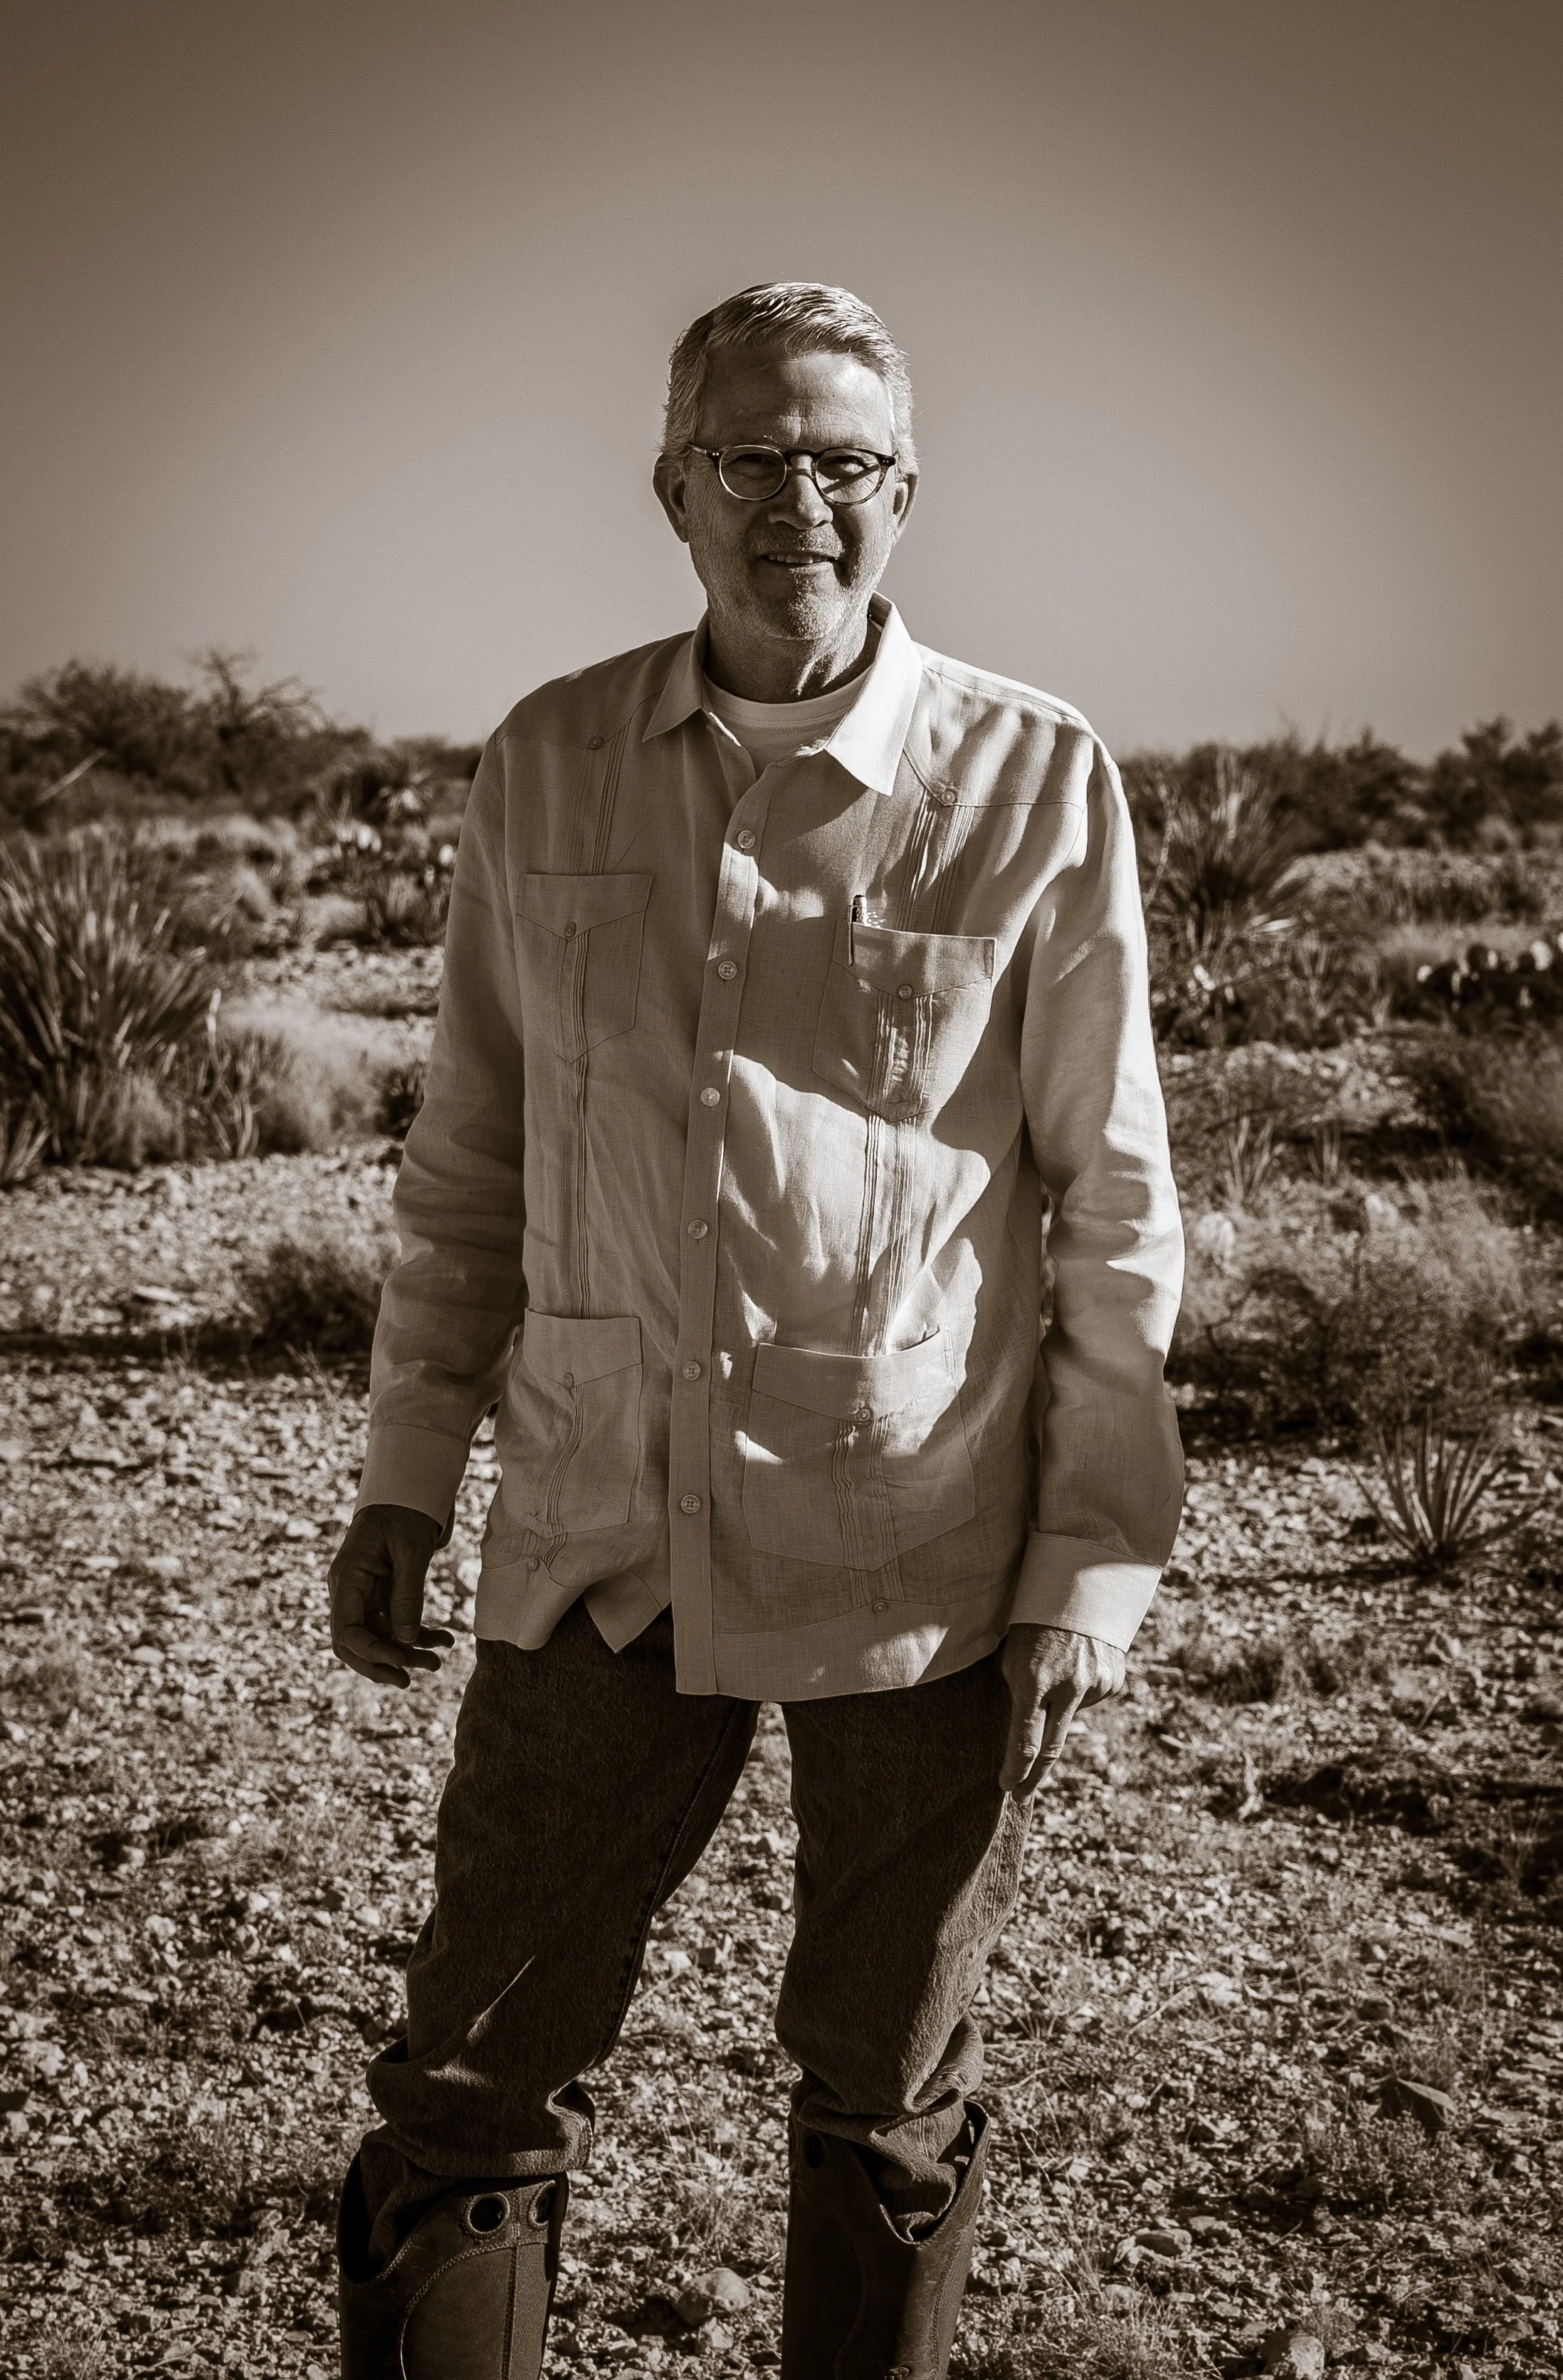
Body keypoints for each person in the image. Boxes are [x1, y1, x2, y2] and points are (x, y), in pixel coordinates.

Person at [327, 281, 1184, 2379]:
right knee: (471, 2085)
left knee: (881, 2103)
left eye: (842, 461)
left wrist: (1090, 1561)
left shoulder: (1030, 774)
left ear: (904, 493)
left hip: (925, 1551)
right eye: (747, 457)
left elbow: (1111, 1199)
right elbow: (469, 1162)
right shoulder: (546, 764)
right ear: (668, 486)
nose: (795, 501)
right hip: (601, 1533)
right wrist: (404, 1478)